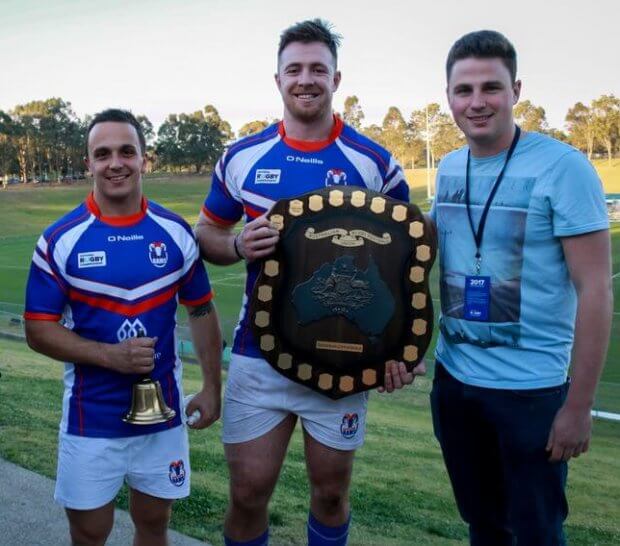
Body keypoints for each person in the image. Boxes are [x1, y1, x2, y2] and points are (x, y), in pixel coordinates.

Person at [195, 18, 421, 546]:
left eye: (318, 69)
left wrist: (402, 349)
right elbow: (207, 231)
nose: (306, 79)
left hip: (344, 356)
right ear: (276, 79)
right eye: (294, 68)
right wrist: (234, 245)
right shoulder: (242, 157)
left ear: (337, 79)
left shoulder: (375, 165)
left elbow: (407, 263)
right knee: (248, 493)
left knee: (331, 494)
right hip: (258, 352)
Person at [429, 30, 613, 545]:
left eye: (492, 87)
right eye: (463, 90)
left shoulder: (565, 168)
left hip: (532, 395)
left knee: (537, 533)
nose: (477, 102)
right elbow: (424, 238)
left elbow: (596, 290)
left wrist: (578, 407)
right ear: (448, 96)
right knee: (484, 528)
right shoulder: (447, 168)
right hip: (456, 386)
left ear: (516, 91)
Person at [24, 109, 223, 546]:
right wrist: (106, 356)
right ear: (89, 164)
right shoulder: (61, 240)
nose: (116, 163)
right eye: (104, 154)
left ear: (144, 160)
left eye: (126, 152)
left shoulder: (175, 232)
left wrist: (212, 387)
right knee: (91, 534)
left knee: (154, 525)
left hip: (163, 418)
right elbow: (38, 328)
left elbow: (202, 311)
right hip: (90, 418)